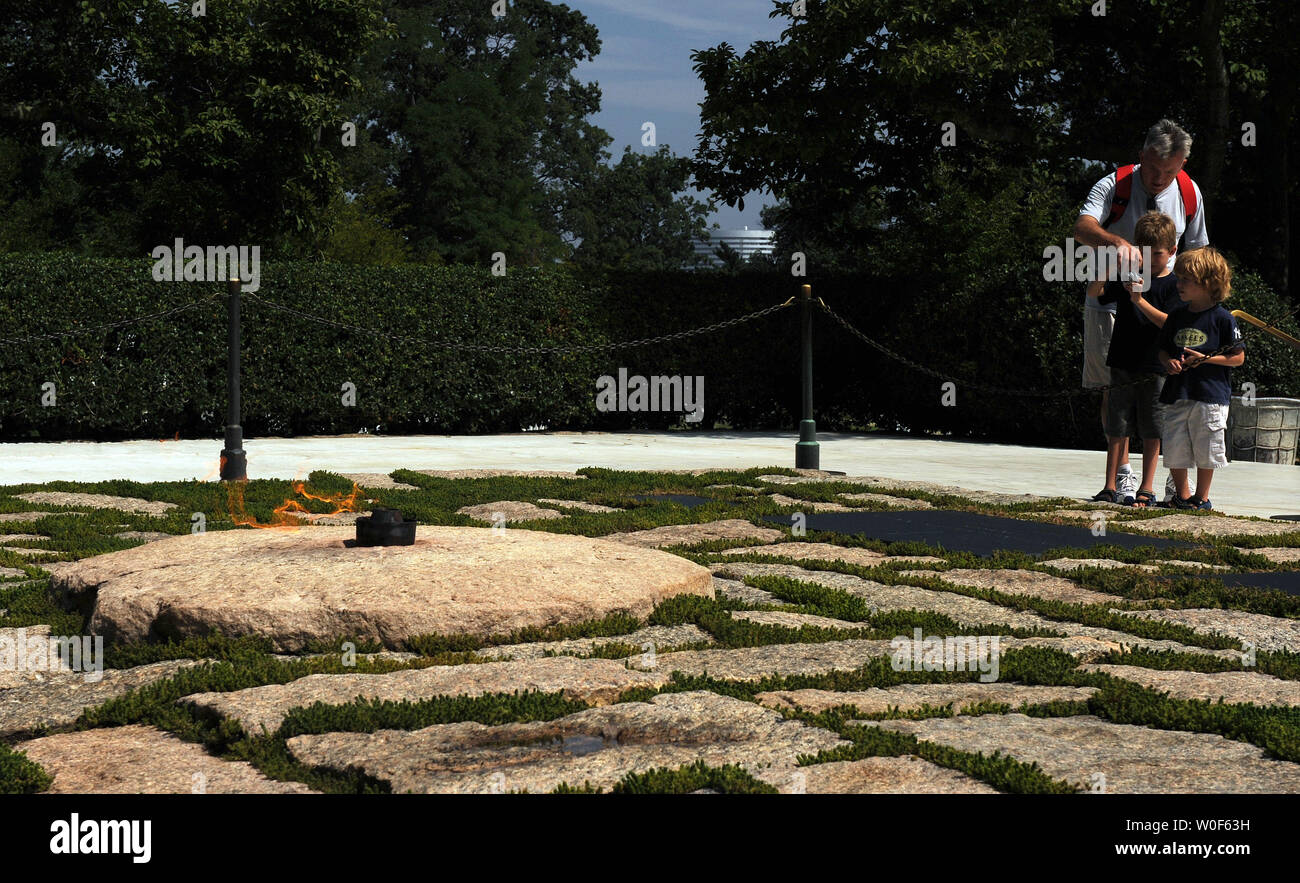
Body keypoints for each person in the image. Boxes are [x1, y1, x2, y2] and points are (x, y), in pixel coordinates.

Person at [1074, 119, 1209, 500]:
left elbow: (1197, 249)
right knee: (1112, 386)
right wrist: (1114, 242)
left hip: (1166, 302)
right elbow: (1081, 228)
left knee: (1168, 386)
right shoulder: (1114, 184)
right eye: (1152, 169)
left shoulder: (1188, 191)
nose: (1159, 178)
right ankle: (1121, 474)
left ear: (1182, 165)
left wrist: (1201, 306)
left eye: (1170, 171)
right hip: (1112, 299)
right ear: (1141, 156)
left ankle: (1170, 472)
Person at [1086, 211, 1183, 506]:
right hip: (1123, 360)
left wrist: (1139, 300)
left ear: (1172, 252)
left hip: (1155, 366)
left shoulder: (1174, 284)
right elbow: (1095, 292)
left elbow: (1171, 323)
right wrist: (1111, 266)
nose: (1150, 260)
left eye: (1158, 254)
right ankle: (1110, 485)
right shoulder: (1130, 275)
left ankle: (1147, 487)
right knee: (1117, 426)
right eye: (1144, 253)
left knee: (1153, 430)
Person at [1156, 247, 1244, 510]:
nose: (1178, 284)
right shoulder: (1176, 317)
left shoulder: (1224, 319)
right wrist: (1168, 362)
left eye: (1185, 280)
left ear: (1208, 283)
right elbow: (1163, 349)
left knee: (1207, 446)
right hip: (1177, 393)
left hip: (1210, 396)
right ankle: (1182, 495)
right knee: (1174, 445)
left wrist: (1205, 360)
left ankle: (1201, 498)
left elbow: (1237, 358)